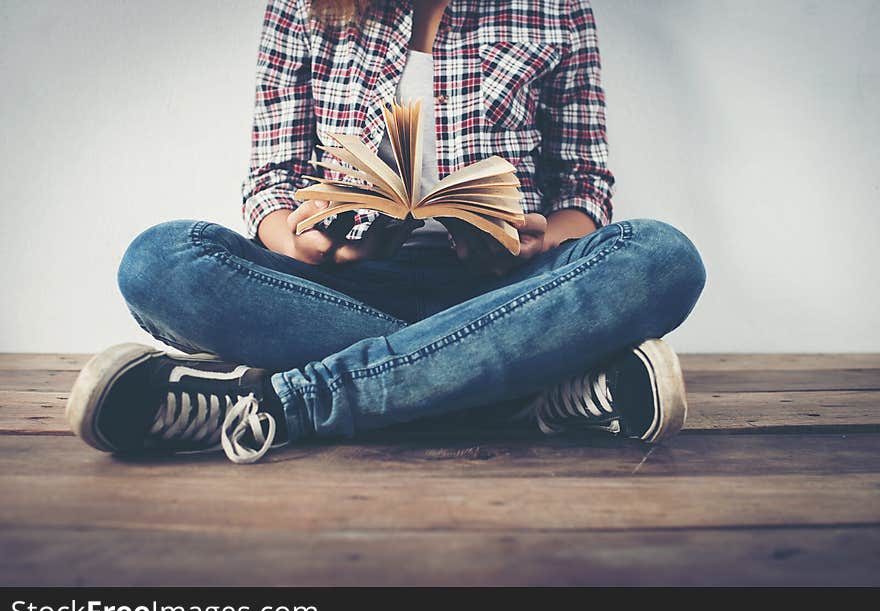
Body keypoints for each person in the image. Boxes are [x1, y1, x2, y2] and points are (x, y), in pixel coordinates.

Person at [66, 0, 706, 464]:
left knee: (659, 257)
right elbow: (273, 181)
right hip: (339, 291)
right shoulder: (304, 8)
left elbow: (584, 187)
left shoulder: (555, 6)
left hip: (511, 290)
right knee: (161, 262)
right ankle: (535, 389)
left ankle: (280, 403)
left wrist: (539, 242)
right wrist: (307, 241)